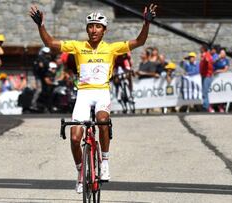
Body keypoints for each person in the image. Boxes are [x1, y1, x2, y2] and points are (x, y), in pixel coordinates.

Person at [29, 3, 157, 193]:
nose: (93, 29)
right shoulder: (78, 46)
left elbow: (139, 41)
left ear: (104, 30)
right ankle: (81, 173)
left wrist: (146, 23)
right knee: (74, 138)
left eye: (98, 26)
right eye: (90, 26)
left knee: (102, 120)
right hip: (84, 94)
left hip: (101, 92)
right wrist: (41, 26)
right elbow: (50, 44)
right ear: (87, 29)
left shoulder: (112, 48)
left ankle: (104, 161)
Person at [199, 44, 214, 112]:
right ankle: (205, 105)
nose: (200, 49)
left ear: (203, 48)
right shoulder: (203, 55)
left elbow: (208, 60)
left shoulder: (206, 55)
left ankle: (206, 106)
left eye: (201, 48)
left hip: (207, 75)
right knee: (204, 91)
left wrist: (206, 59)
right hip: (204, 75)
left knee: (205, 91)